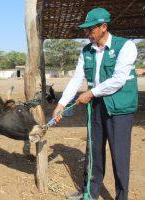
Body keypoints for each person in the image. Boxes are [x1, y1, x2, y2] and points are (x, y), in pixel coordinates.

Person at [52, 8, 138, 200]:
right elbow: (76, 79)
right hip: (97, 107)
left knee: (120, 155)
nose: (87, 33)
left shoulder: (125, 46)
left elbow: (118, 79)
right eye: (86, 30)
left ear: (104, 27)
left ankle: (121, 197)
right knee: (93, 150)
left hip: (119, 108)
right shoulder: (86, 51)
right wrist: (61, 104)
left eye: (91, 29)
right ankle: (89, 193)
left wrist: (90, 93)